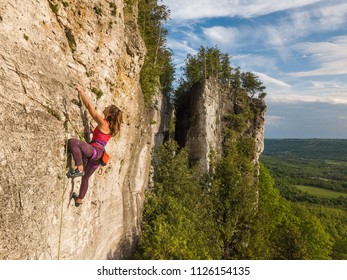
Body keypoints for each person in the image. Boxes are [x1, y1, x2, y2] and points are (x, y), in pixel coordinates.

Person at [67, 85, 123, 206]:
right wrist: (94, 132)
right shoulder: (111, 129)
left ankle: (79, 168)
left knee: (72, 142)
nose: (105, 107)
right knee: (85, 178)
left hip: (95, 151)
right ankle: (79, 200)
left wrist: (81, 92)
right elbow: (102, 138)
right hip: (99, 156)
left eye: (107, 108)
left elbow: (89, 107)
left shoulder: (103, 122)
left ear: (109, 113)